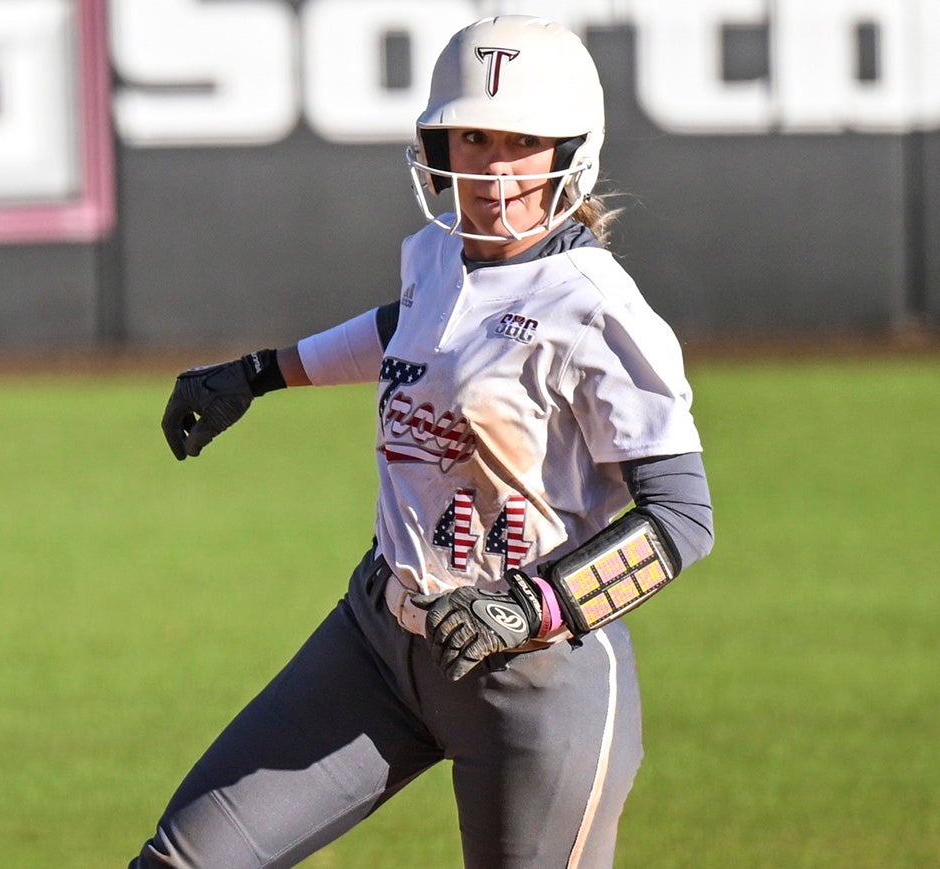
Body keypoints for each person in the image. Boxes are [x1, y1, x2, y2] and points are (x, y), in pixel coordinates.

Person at [130, 15, 713, 869]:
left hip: (535, 680)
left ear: (568, 152)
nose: (492, 167)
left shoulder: (599, 310)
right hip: (379, 638)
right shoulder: (441, 257)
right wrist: (258, 373)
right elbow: (411, 331)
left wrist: (529, 604)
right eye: (473, 135)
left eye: (521, 140)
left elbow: (681, 521)